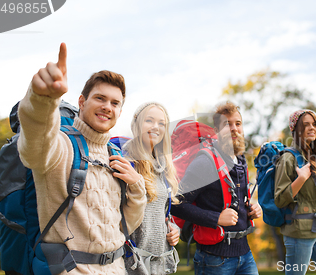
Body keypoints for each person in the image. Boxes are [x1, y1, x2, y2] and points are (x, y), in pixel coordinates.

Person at [17, 43, 147, 274]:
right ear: (81, 102)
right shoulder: (61, 145)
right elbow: (34, 145)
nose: (107, 107)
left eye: (115, 103)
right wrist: (42, 101)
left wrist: (137, 187)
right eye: (100, 98)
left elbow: (126, 225)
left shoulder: (115, 155)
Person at [171, 101, 262, 275]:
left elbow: (234, 199)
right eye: (227, 124)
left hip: (245, 254)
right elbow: (176, 204)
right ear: (217, 130)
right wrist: (216, 218)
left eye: (238, 123)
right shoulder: (205, 162)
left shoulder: (240, 160)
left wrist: (252, 208)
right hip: (214, 259)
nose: (234, 128)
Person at [274, 109, 316, 275]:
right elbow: (280, 199)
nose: (312, 128)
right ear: (296, 130)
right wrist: (301, 179)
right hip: (298, 233)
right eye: (306, 125)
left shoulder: (315, 157)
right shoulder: (288, 158)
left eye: (314, 124)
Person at [124, 102, 180, 274]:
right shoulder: (126, 162)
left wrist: (173, 228)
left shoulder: (163, 168)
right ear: (136, 124)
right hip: (134, 264)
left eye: (161, 123)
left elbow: (160, 213)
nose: (156, 127)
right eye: (149, 120)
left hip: (160, 264)